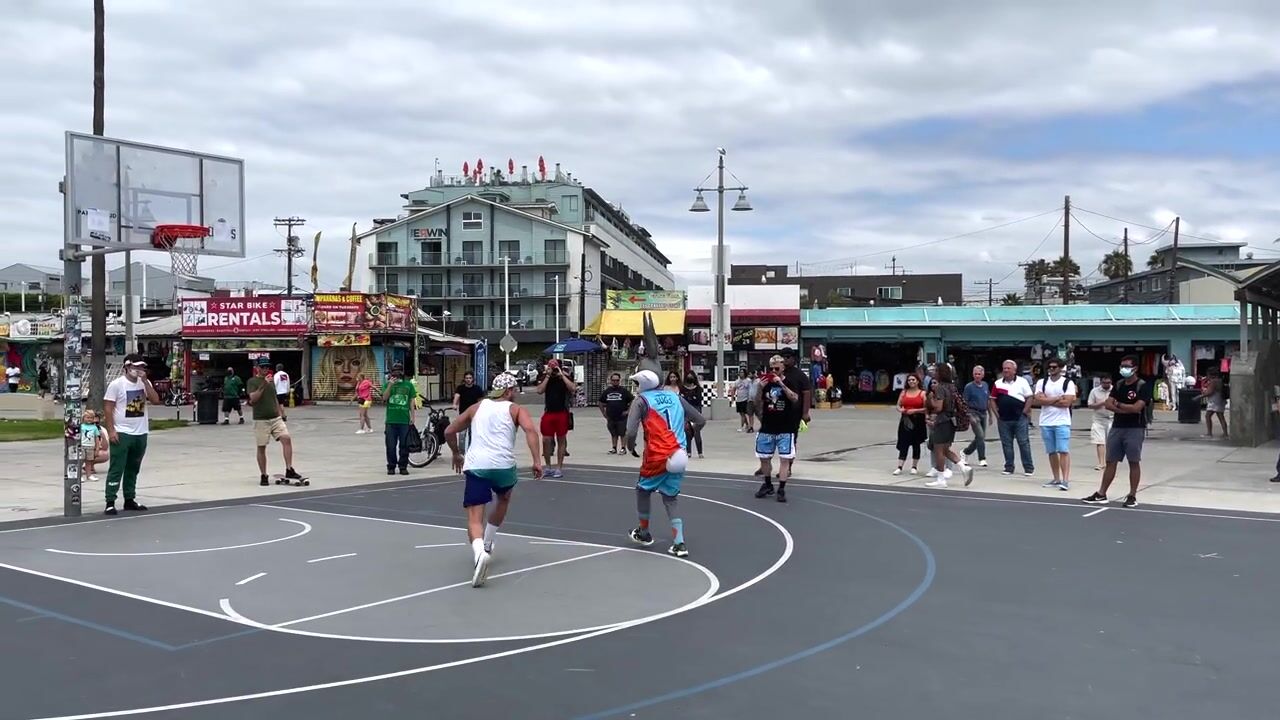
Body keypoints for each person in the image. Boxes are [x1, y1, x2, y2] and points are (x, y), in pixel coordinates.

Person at [445, 372, 543, 588]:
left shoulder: (476, 408)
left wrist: (456, 453)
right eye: (514, 389)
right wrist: (537, 460)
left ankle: (479, 552)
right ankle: (488, 542)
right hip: (503, 466)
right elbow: (530, 431)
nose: (515, 393)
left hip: (477, 465)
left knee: (474, 516)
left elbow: (449, 430)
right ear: (508, 391)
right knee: (503, 498)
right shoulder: (516, 409)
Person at [625, 359, 706, 557]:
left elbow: (630, 431)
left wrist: (630, 446)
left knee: (643, 490)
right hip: (679, 454)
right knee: (670, 498)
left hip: (657, 455)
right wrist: (689, 430)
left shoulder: (641, 401)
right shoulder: (675, 396)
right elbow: (700, 420)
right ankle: (679, 543)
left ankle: (644, 532)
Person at [1083, 355, 1151, 508]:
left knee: (1133, 461)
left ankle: (1132, 495)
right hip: (1117, 427)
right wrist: (1125, 408)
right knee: (1110, 461)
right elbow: (1108, 404)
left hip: (1135, 428)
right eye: (1122, 366)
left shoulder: (1142, 386)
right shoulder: (1119, 385)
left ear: (1135, 368)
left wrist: (1119, 405)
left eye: (1127, 366)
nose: (1123, 369)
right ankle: (1101, 493)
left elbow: (1137, 408)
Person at [102, 354, 160, 515]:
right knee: (117, 467)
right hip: (122, 432)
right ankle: (110, 501)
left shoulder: (144, 383)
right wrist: (111, 430)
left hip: (141, 432)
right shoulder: (117, 384)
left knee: (133, 467)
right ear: (127, 367)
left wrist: (146, 382)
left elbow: (155, 400)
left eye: (141, 367)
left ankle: (129, 498)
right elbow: (108, 408)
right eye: (136, 367)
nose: (139, 370)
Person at [247, 357, 304, 486]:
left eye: (267, 367)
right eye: (263, 367)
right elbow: (253, 399)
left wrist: (281, 413)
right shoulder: (253, 381)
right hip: (261, 419)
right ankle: (264, 474)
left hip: (275, 417)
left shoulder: (272, 381)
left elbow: (275, 398)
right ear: (257, 368)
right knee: (261, 447)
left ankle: (289, 469)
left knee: (286, 438)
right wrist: (264, 384)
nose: (265, 369)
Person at [754, 355, 801, 502]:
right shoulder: (766, 383)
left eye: (777, 368)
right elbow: (757, 403)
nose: (774, 371)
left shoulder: (789, 382)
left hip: (785, 427)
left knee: (784, 459)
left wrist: (781, 384)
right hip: (768, 426)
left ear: (783, 368)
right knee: (764, 458)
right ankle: (768, 484)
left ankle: (781, 488)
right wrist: (759, 388)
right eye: (771, 368)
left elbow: (794, 398)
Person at [924, 363, 974, 488]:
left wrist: (930, 400)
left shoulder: (940, 388)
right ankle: (963, 467)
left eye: (936, 371)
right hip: (951, 421)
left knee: (938, 450)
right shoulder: (952, 387)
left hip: (942, 421)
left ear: (940, 373)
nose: (934, 373)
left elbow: (939, 407)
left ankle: (941, 479)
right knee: (946, 449)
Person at [1034, 358, 1077, 491]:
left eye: (1054, 367)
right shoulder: (1042, 382)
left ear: (1060, 368)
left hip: (1062, 421)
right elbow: (1038, 400)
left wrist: (1047, 400)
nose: (1051, 369)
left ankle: (1065, 480)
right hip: (1046, 421)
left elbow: (1067, 403)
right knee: (1051, 451)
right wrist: (1057, 398)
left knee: (1063, 450)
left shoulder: (1067, 383)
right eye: (1049, 367)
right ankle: (1056, 478)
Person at [990, 359, 1035, 477]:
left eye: (1008, 368)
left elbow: (1030, 397)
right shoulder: (997, 383)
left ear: (1014, 370)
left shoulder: (1022, 382)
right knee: (1006, 444)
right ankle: (1009, 467)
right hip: (1004, 419)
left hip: (1020, 418)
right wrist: (996, 414)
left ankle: (1028, 468)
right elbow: (992, 399)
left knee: (1023, 443)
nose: (1006, 370)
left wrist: (1025, 411)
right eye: (1004, 368)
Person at [536, 359, 575, 478]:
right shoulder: (546, 377)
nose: (553, 370)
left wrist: (562, 375)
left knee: (561, 439)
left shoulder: (564, 377)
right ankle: (548, 466)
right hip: (549, 412)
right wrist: (548, 376)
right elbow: (539, 390)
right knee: (546, 440)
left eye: (555, 368)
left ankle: (559, 467)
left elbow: (573, 388)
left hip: (561, 412)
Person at [382, 363, 417, 476]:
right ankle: (391, 466)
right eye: (394, 371)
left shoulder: (408, 385)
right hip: (391, 420)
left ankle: (403, 466)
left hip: (404, 420)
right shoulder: (387, 384)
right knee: (391, 446)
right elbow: (384, 398)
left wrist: (413, 416)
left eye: (399, 371)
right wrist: (390, 385)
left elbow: (411, 401)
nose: (396, 374)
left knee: (404, 445)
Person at [894, 374, 928, 475]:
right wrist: (901, 410)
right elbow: (898, 405)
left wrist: (915, 410)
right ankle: (900, 466)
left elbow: (927, 408)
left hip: (918, 421)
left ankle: (914, 466)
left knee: (916, 443)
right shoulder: (904, 392)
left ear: (917, 381)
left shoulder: (922, 393)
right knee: (903, 442)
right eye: (909, 380)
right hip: (905, 420)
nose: (911, 382)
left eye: (913, 380)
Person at [960, 365, 990, 467]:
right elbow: (964, 402)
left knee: (981, 437)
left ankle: (965, 452)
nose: (977, 376)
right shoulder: (969, 387)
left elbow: (988, 400)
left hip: (983, 413)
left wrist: (990, 415)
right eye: (975, 374)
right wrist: (969, 415)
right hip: (973, 412)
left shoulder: (985, 385)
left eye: (979, 374)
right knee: (980, 435)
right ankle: (982, 458)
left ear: (983, 375)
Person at [598, 372, 633, 455]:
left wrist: (628, 411)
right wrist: (604, 413)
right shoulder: (607, 391)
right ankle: (614, 448)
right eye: (613, 380)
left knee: (622, 432)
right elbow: (600, 402)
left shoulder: (624, 391)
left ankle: (623, 448)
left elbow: (633, 400)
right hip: (611, 416)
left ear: (619, 381)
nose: (615, 382)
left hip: (622, 417)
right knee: (613, 433)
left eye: (617, 380)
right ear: (610, 381)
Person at [451, 371, 486, 451]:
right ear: (464, 379)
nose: (468, 380)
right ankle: (461, 452)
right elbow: (457, 396)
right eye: (466, 378)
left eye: (470, 378)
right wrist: (454, 404)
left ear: (473, 379)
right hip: (463, 414)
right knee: (462, 434)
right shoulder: (460, 388)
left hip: (474, 415)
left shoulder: (477, 388)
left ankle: (471, 451)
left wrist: (482, 408)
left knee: (473, 434)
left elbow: (480, 400)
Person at [1087, 374, 1114, 471]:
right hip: (1099, 419)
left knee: (1111, 442)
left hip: (1112, 418)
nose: (1106, 385)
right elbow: (1090, 405)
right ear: (1101, 382)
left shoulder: (1115, 390)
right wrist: (1102, 403)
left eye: (1108, 383)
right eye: (1104, 383)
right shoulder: (1094, 391)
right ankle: (1101, 463)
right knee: (1099, 441)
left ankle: (1110, 462)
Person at [1195, 368, 1229, 439]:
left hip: (1214, 401)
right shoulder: (1220, 380)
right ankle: (1225, 434)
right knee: (1221, 417)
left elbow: (1209, 392)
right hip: (1220, 400)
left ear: (1210, 374)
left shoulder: (1213, 382)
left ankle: (1209, 433)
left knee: (1208, 416)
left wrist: (1199, 397)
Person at [680, 372, 705, 458]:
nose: (690, 378)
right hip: (686, 411)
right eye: (688, 377)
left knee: (696, 430)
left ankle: (700, 452)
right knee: (687, 430)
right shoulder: (682, 388)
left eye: (691, 377)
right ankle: (688, 451)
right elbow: (683, 399)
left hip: (696, 410)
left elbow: (698, 400)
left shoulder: (698, 388)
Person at [80, 408, 109, 483]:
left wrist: (97, 448)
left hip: (91, 447)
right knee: (80, 461)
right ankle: (79, 476)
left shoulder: (95, 428)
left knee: (89, 462)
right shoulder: (81, 427)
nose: (89, 420)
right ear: (83, 418)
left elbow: (96, 439)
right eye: (87, 417)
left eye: (91, 418)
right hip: (82, 446)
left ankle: (89, 475)